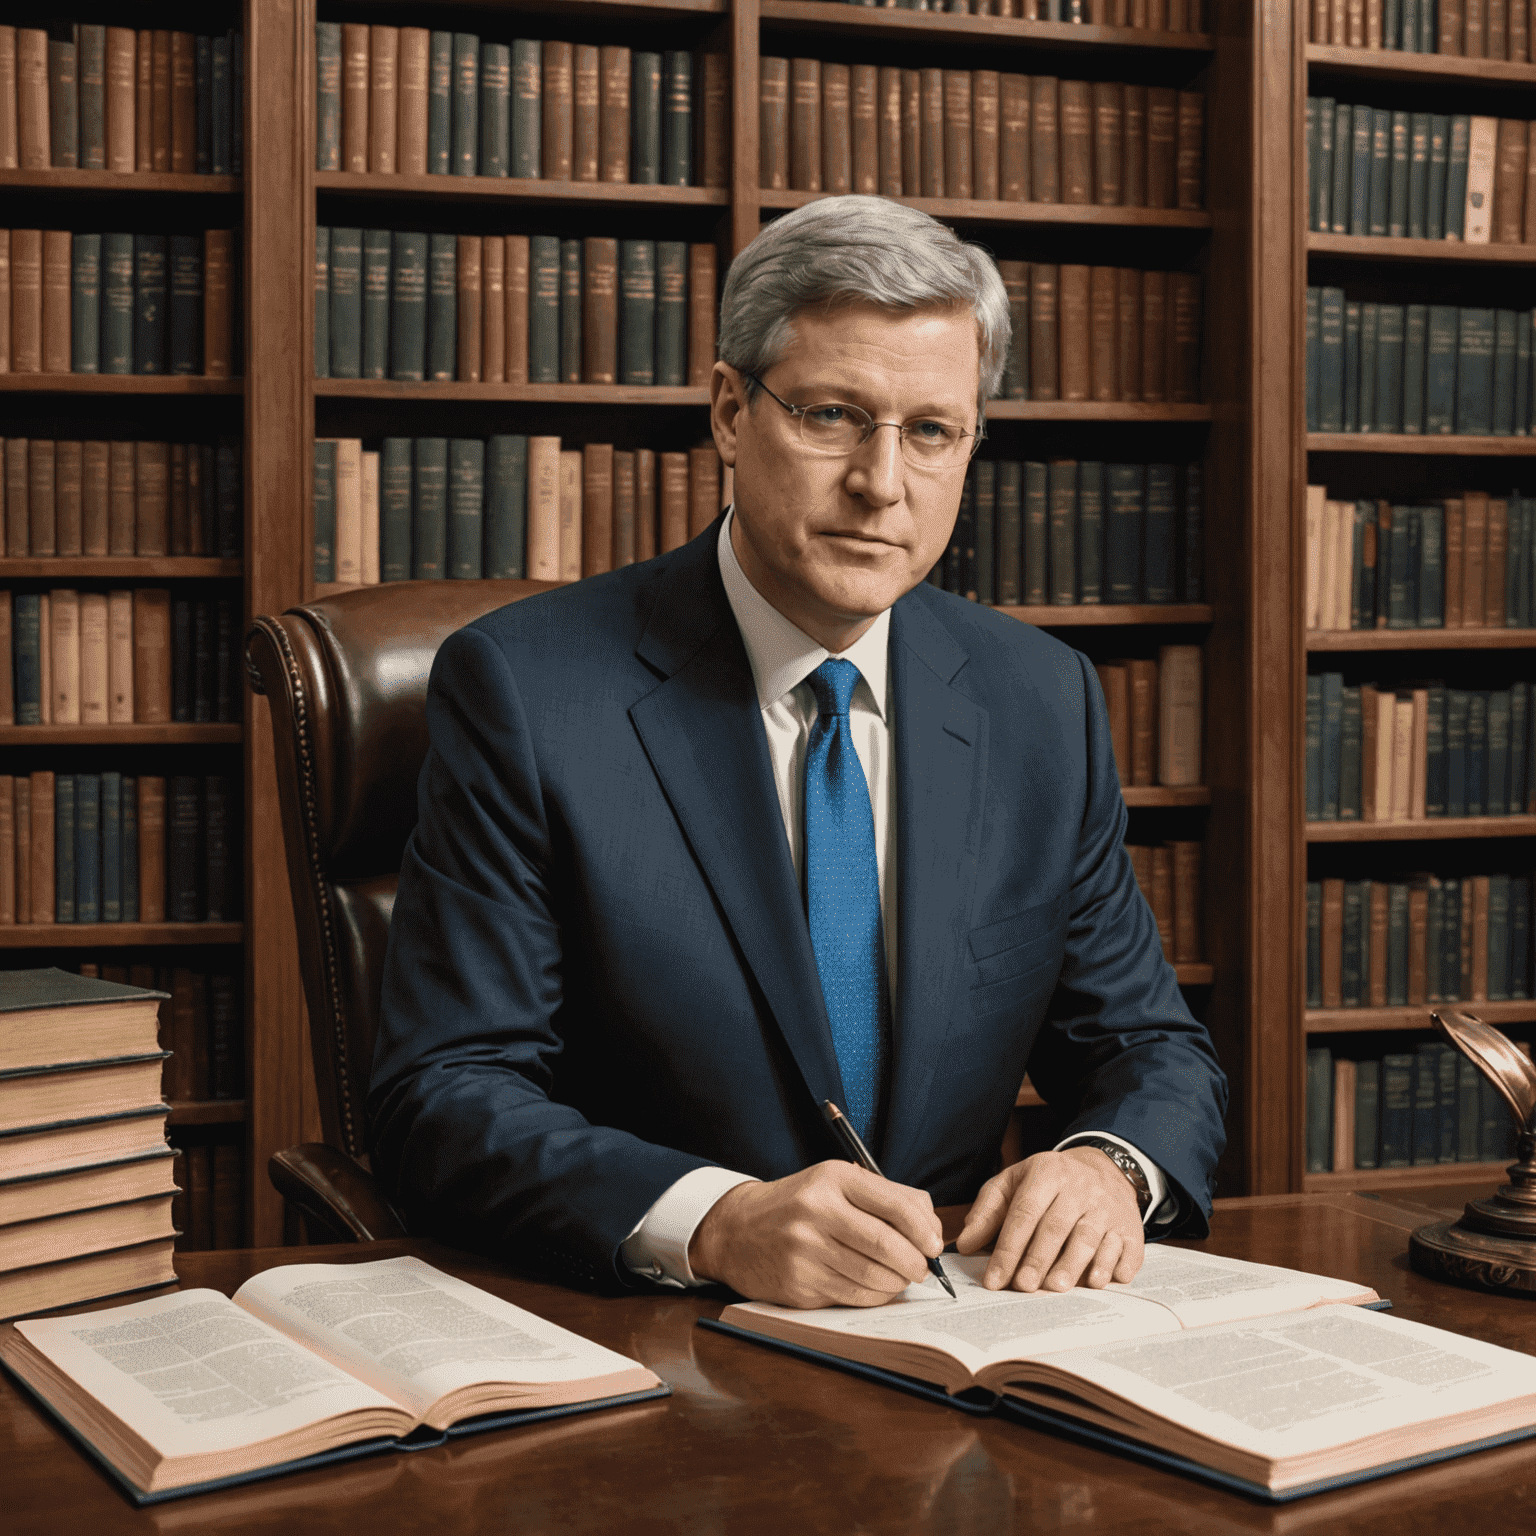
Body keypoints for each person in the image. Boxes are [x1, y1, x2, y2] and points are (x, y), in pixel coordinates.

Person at [368, 195, 1227, 1309]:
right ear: (730, 412)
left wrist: (1109, 1168)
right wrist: (714, 1220)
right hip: (648, 1346)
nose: (882, 483)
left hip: (961, 1336)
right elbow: (444, 1090)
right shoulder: (528, 691)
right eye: (832, 416)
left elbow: (1149, 1045)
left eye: (931, 432)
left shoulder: (1037, 700)